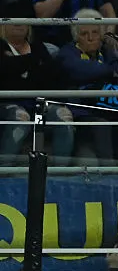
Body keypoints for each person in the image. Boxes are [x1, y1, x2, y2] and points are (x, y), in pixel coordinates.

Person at [57, 8, 118, 163]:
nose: (90, 38)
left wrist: (117, 80)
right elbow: (81, 71)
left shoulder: (107, 52)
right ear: (76, 37)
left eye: (95, 33)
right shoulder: (67, 53)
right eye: (84, 34)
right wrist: (110, 73)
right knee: (100, 124)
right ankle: (109, 169)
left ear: (102, 36)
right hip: (82, 112)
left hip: (108, 107)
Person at [0, 14, 74, 163]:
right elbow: (4, 73)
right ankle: (3, 170)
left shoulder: (38, 47)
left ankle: (60, 176)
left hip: (37, 104)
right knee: (21, 118)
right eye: (13, 18)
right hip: (5, 103)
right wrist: (33, 63)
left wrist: (16, 65)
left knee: (63, 115)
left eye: (23, 19)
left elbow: (51, 77)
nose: (19, 22)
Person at [29, 0, 115, 47]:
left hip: (89, 39)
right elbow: (42, 14)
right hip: (53, 42)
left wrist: (109, 35)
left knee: (112, 50)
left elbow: (108, 13)